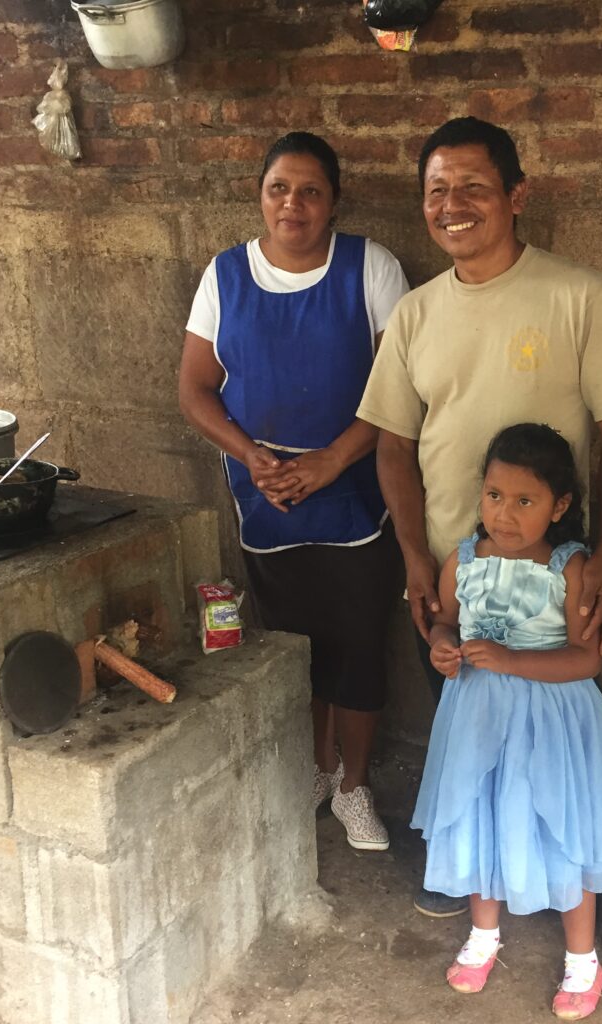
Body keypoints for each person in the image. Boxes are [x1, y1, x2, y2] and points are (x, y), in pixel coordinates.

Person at [357, 116, 602, 961]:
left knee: (573, 733)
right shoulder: (416, 315)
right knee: (471, 723)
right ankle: (469, 860)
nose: (453, 206)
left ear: (516, 196)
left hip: (555, 565)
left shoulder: (579, 295)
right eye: (437, 192)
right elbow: (390, 445)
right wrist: (417, 556)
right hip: (457, 569)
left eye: (473, 188)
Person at [178, 131, 409, 851]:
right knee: (293, 648)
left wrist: (330, 462)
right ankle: (315, 767)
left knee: (360, 645)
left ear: (334, 201)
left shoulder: (372, 269)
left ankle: (354, 787)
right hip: (266, 495)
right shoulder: (224, 276)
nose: (293, 203)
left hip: (354, 495)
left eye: (311, 190)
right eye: (279, 188)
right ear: (260, 194)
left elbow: (398, 388)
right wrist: (253, 456)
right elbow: (195, 388)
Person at [413, 423, 602, 1019]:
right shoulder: (462, 560)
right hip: (477, 720)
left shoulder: (569, 568)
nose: (505, 514)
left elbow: (587, 657)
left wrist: (514, 660)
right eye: (494, 496)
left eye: (525, 501)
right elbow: (444, 623)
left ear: (560, 506)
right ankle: (484, 936)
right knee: (481, 817)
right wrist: (443, 646)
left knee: (564, 831)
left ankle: (581, 961)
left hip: (553, 726)